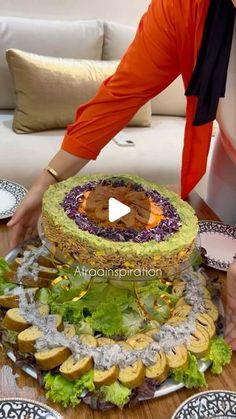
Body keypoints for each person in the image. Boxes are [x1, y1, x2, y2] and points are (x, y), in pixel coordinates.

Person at [7, 0, 236, 348]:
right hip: (230, 162)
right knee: (222, 274)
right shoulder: (185, 7)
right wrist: (47, 179)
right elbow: (119, 96)